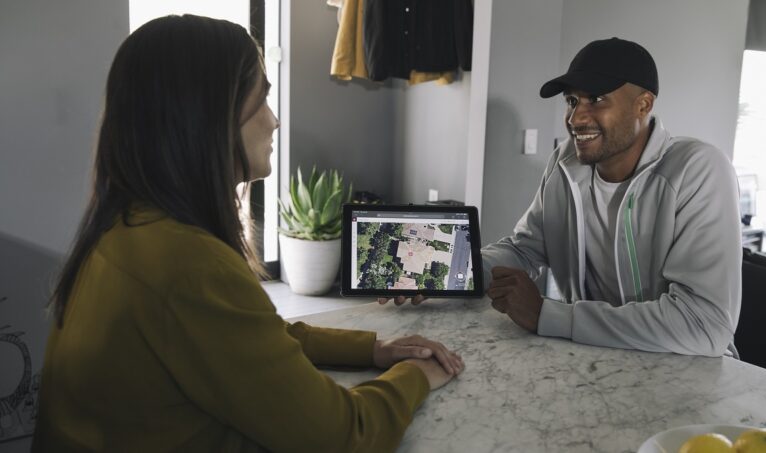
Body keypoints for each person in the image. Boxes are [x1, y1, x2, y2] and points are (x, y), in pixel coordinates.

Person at [32, 15, 463, 452]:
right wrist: (413, 375)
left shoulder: (127, 227)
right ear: (207, 119)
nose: (274, 121)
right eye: (262, 100)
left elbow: (254, 337)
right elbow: (342, 436)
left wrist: (373, 350)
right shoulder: (188, 264)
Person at [384, 37, 742, 358]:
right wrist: (451, 270)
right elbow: (526, 250)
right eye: (572, 100)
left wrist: (548, 315)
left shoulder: (699, 170)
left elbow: (704, 324)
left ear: (643, 104)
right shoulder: (566, 161)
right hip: (593, 358)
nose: (575, 117)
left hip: (687, 371)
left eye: (596, 99)